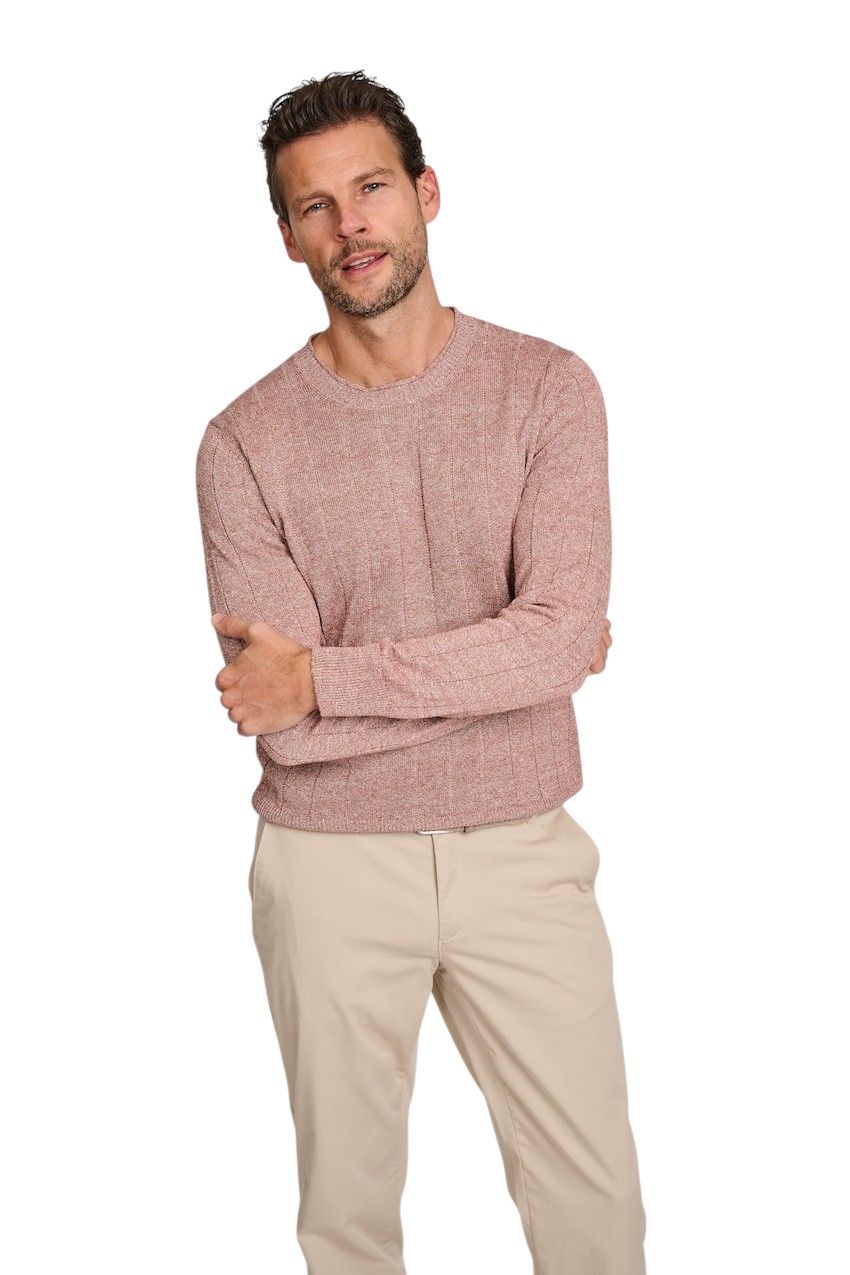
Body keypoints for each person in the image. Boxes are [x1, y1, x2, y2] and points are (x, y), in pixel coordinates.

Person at [196, 70, 646, 1274]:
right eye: (315, 206)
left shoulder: (547, 388)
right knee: (346, 1227)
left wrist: (329, 680)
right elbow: (281, 726)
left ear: (427, 193)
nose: (350, 225)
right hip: (328, 866)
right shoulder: (242, 444)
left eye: (372, 189)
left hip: (521, 853)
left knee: (595, 1215)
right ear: (287, 237)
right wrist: (523, 664)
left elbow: (538, 639)